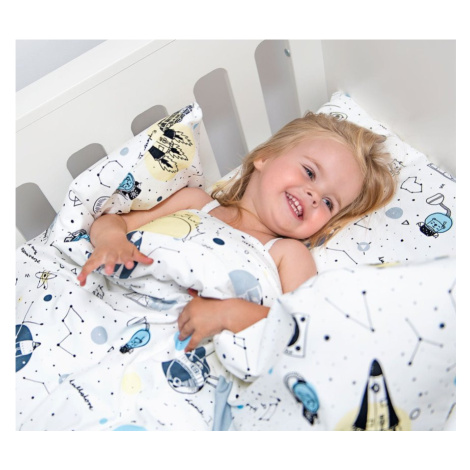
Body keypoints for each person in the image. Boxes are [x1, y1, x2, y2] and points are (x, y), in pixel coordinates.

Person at [77, 112, 396, 351]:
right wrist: (111, 240)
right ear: (265, 157)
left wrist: (230, 313)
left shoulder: (288, 254)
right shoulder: (194, 203)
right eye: (310, 172)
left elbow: (303, 328)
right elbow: (113, 221)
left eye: (328, 202)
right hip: (108, 321)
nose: (314, 196)